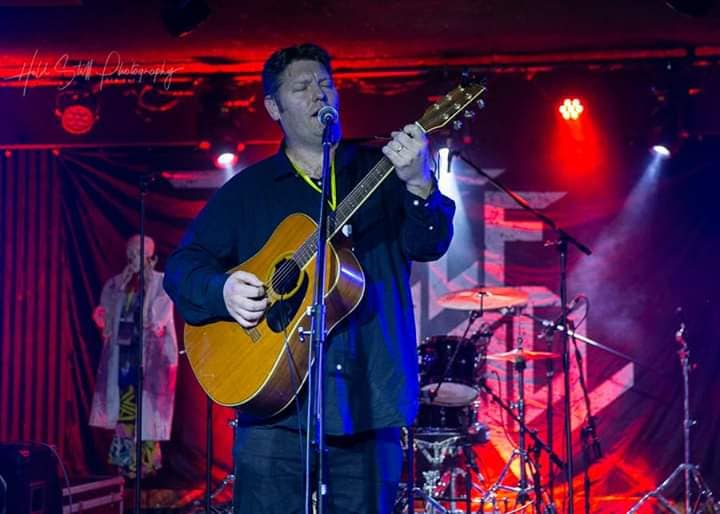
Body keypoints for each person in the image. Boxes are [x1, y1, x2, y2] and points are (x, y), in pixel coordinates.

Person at [163, 43, 455, 513]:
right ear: (273, 108)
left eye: (325, 83)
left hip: (369, 402)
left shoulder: (379, 172)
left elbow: (429, 244)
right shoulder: (248, 192)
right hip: (274, 417)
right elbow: (181, 269)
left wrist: (420, 184)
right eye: (301, 87)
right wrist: (223, 291)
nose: (318, 94)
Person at [90, 234, 178, 478]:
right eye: (131, 254)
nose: (136, 259)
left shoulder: (161, 283)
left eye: (141, 254)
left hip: (150, 361)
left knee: (147, 412)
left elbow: (158, 320)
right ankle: (125, 465)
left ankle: (144, 466)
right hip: (123, 358)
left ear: (151, 256)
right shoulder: (116, 284)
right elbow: (105, 316)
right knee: (125, 407)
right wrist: (102, 318)